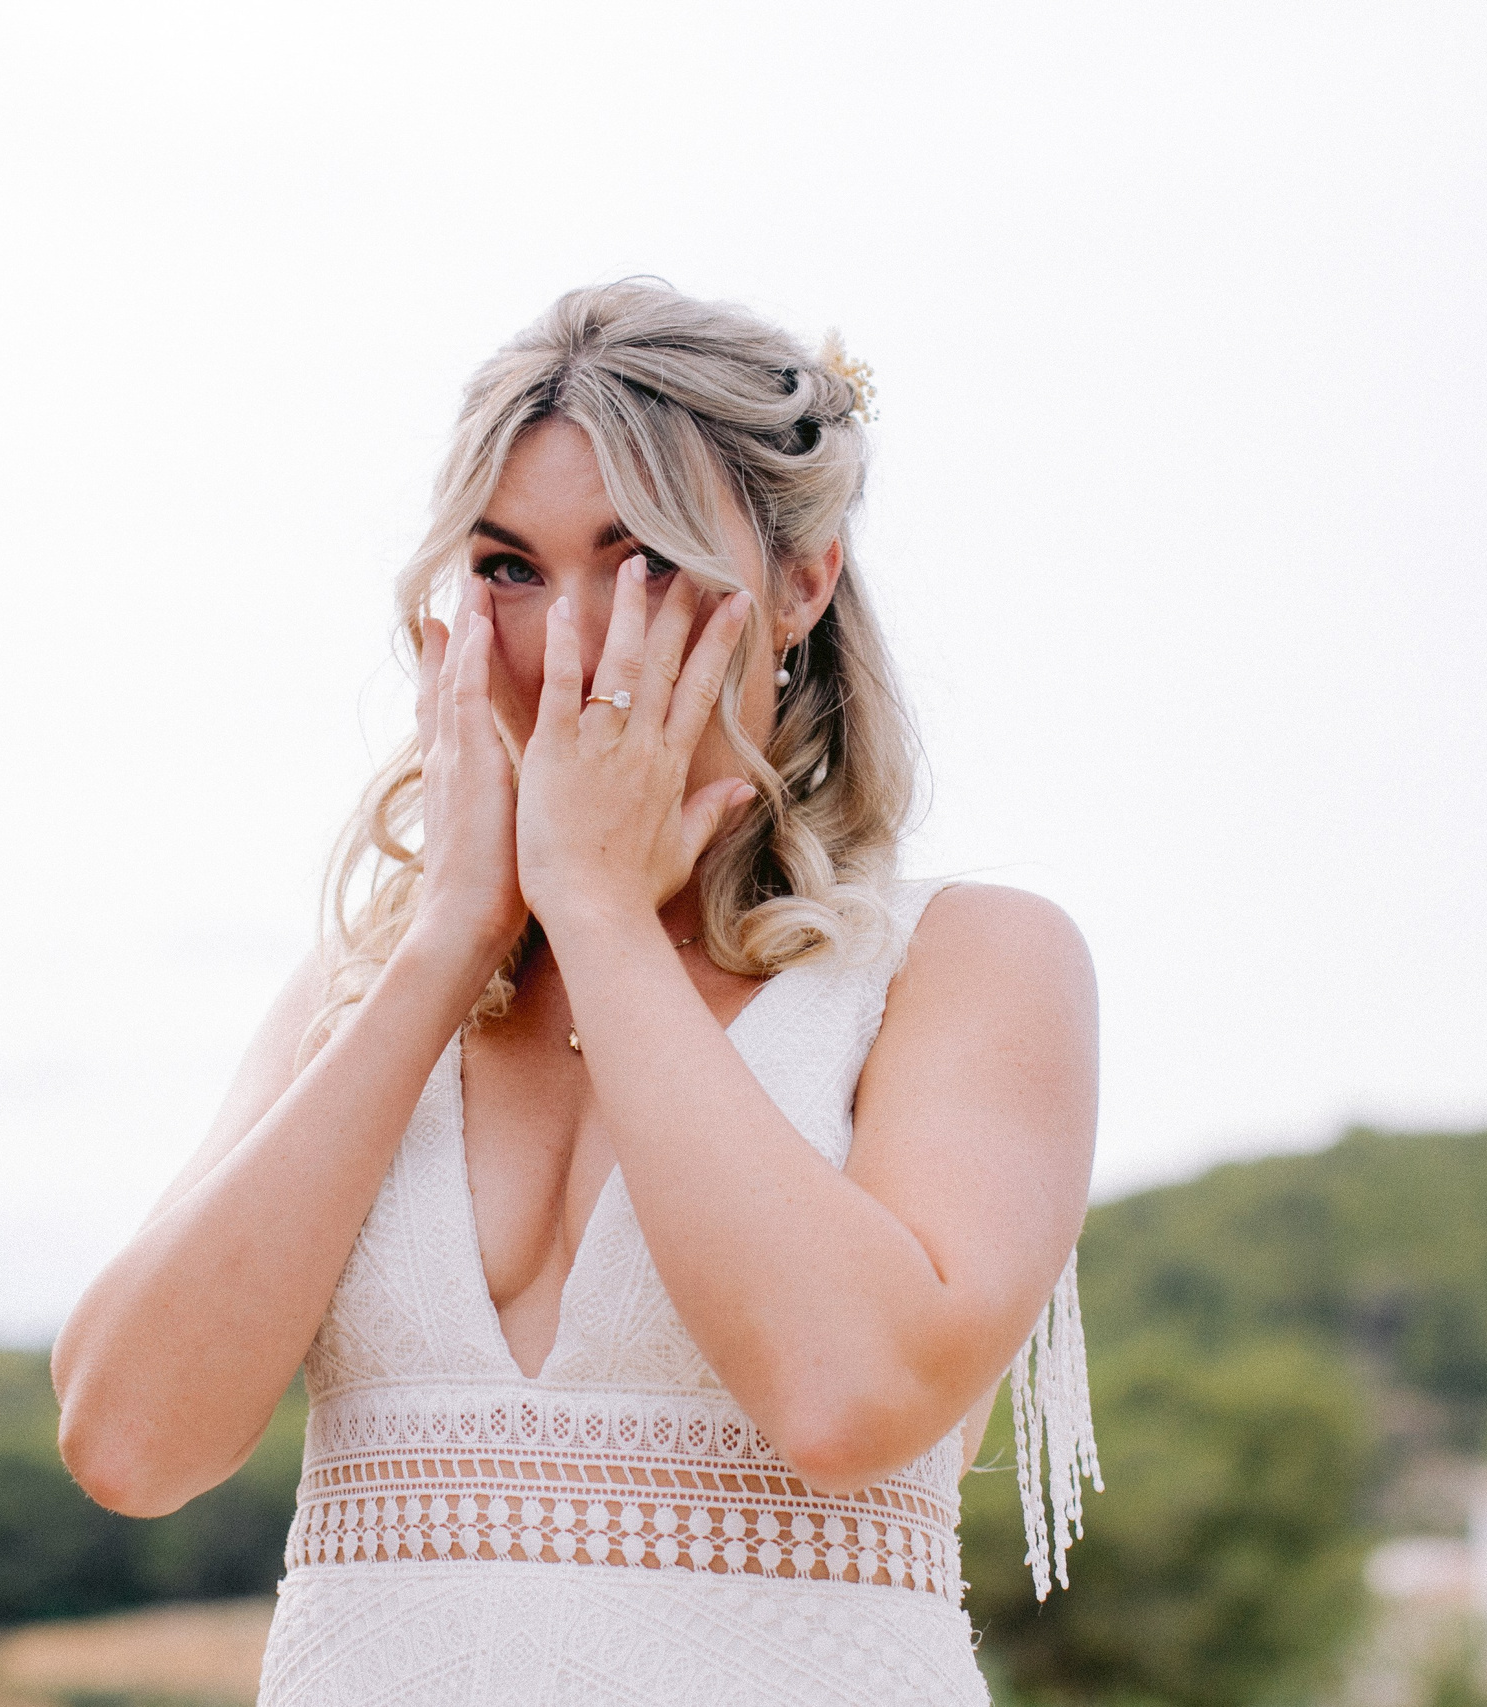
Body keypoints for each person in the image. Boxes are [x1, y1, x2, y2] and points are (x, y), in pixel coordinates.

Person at [55, 281, 1101, 1704]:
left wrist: (601, 917)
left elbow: (851, 1396)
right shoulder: (363, 987)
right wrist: (443, 950)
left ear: (802, 582)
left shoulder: (968, 963)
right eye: (508, 569)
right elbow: (129, 1440)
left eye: (642, 563)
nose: (567, 645)